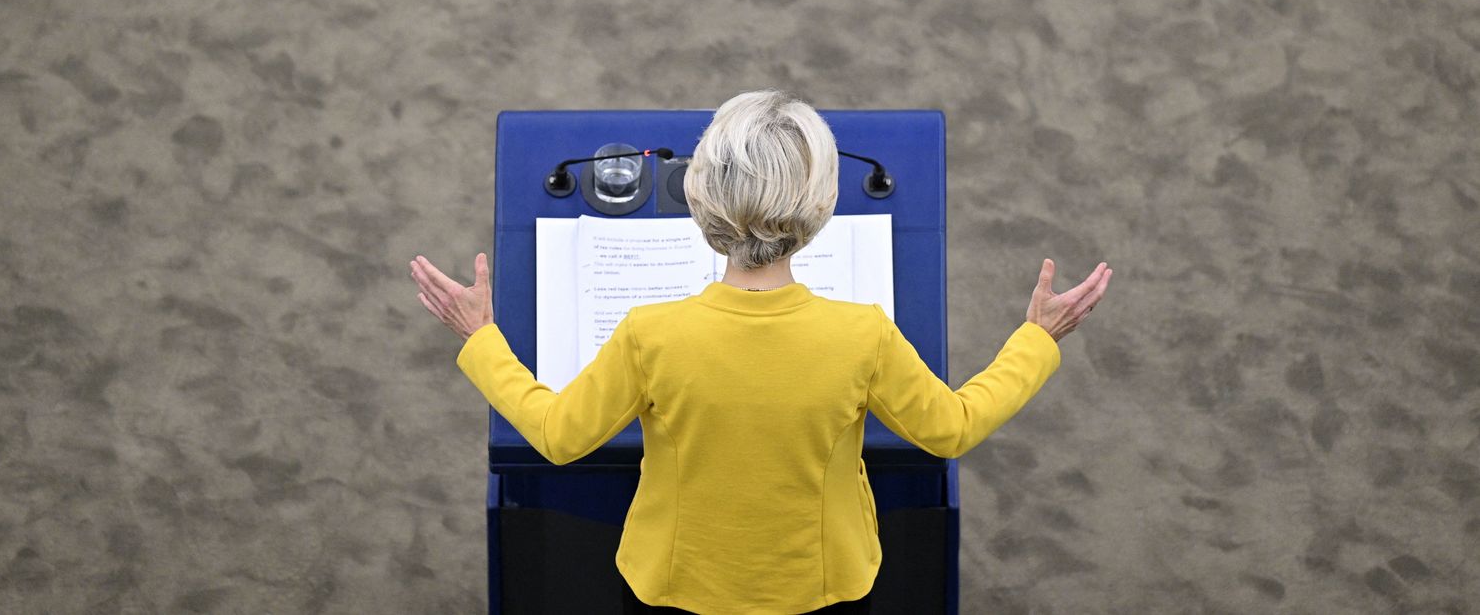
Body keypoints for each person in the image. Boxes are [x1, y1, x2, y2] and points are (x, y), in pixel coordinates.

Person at [409, 89, 1112, 614]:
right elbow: (951, 428)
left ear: (701, 197)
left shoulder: (651, 334)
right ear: (819, 208)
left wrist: (481, 339)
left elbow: (559, 438)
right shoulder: (862, 334)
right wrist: (1037, 340)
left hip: (674, 590)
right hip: (825, 590)